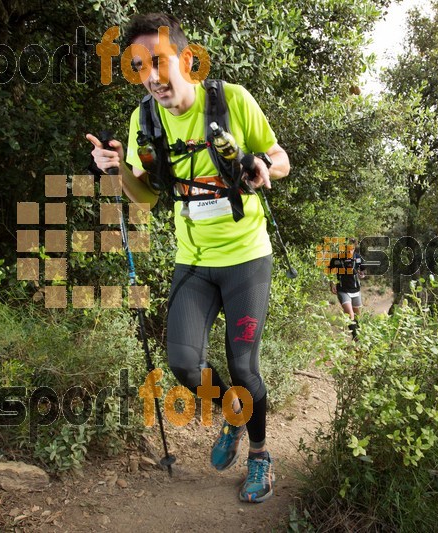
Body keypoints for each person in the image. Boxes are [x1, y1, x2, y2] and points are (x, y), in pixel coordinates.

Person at [86, 13, 289, 503]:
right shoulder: (143, 120)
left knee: (243, 367)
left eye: (157, 61)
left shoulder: (231, 100)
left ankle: (260, 455)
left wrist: (263, 167)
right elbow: (146, 196)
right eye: (137, 67)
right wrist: (116, 171)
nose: (150, 76)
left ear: (185, 58)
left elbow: (280, 158)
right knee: (182, 365)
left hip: (246, 257)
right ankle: (235, 417)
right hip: (193, 260)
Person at [329, 238, 364, 339]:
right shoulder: (336, 259)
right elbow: (329, 272)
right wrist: (331, 284)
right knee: (350, 314)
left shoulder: (358, 258)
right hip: (343, 289)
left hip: (356, 289)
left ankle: (359, 334)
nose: (349, 251)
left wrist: (361, 274)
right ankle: (355, 337)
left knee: (357, 316)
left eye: (352, 249)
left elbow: (362, 271)